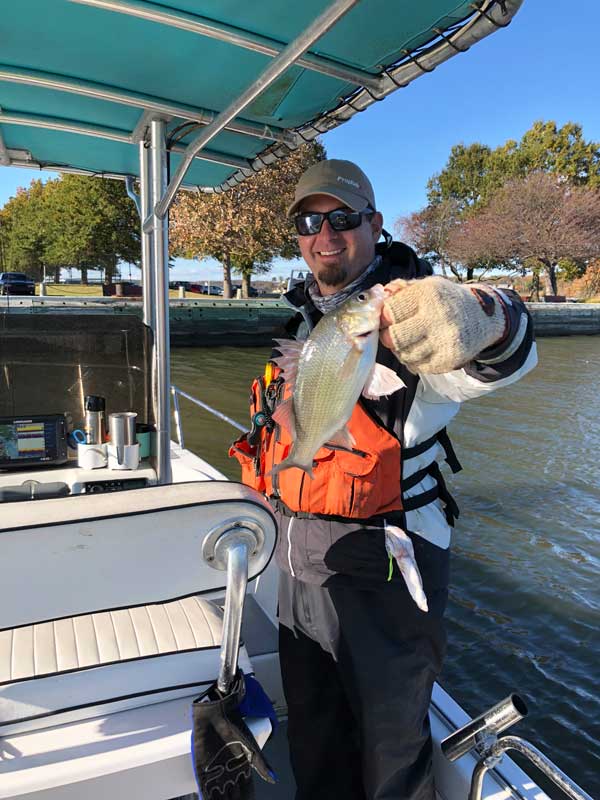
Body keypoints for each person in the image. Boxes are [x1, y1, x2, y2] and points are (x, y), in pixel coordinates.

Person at [230, 159, 537, 800]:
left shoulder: (410, 312)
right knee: (316, 734)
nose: (326, 234)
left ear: (374, 224)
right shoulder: (303, 323)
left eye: (343, 218)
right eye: (311, 221)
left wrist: (488, 316)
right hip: (297, 561)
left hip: (390, 567)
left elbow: (497, 357)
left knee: (390, 751)